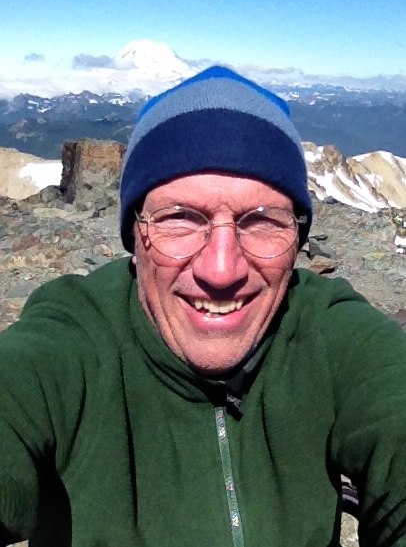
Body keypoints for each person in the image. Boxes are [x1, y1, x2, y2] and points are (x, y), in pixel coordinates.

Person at [0, 66, 406, 547]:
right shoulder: (72, 340)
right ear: (135, 234)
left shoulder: (333, 333)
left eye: (262, 222)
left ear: (298, 240)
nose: (221, 270)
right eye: (180, 219)